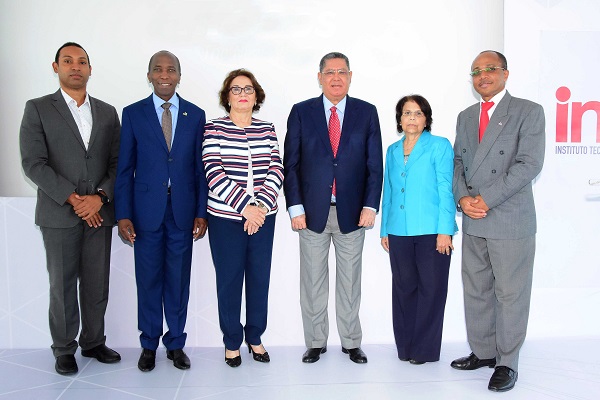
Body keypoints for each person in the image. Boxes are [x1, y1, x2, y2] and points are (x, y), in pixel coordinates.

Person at [19, 42, 121, 375]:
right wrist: (75, 199)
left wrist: (100, 198)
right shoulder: (37, 109)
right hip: (60, 214)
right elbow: (33, 163)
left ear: (90, 69)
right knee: (62, 284)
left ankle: (94, 342)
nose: (75, 66)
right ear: (56, 67)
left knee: (96, 283)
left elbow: (118, 164)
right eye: (68, 61)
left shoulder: (107, 112)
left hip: (100, 214)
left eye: (81, 62)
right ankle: (64, 348)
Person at [451, 50, 545, 392]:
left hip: (508, 219)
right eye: (476, 71)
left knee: (510, 294)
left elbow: (529, 164)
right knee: (476, 290)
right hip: (474, 219)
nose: (483, 75)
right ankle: (484, 352)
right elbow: (458, 163)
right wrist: (463, 198)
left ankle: (507, 362)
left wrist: (485, 199)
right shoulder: (465, 116)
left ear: (505, 73)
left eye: (490, 69)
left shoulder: (528, 112)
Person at [283, 52, 383, 364]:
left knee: (350, 282)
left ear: (350, 76)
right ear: (320, 77)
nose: (336, 77)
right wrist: (295, 207)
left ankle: (351, 342)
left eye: (341, 72)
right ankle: (315, 342)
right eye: (329, 72)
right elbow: (292, 164)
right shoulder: (302, 112)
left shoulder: (367, 112)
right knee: (312, 283)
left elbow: (374, 165)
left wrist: (371, 205)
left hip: (353, 213)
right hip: (311, 213)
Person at [114, 50, 209, 372]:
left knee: (178, 281)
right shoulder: (133, 114)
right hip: (145, 213)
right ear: (150, 75)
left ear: (179, 76)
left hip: (182, 213)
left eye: (171, 70)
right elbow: (124, 168)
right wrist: (123, 214)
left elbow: (200, 169)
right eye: (158, 69)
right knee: (149, 280)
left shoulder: (196, 115)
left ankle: (176, 343)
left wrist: (201, 211)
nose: (164, 75)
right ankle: (149, 343)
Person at [202, 69, 283, 367]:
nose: (243, 94)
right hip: (226, 219)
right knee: (230, 280)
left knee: (259, 279)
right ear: (227, 97)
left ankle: (255, 337)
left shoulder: (267, 129)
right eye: (236, 90)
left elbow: (276, 168)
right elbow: (213, 172)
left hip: (263, 218)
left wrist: (259, 207)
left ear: (256, 96)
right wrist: (245, 207)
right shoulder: (214, 129)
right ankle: (232, 341)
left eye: (248, 89)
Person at [380, 95, 456, 365]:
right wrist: (385, 229)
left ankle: (424, 350)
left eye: (418, 113)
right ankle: (405, 347)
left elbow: (446, 189)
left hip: (432, 231)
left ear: (426, 119)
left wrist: (445, 230)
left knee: (432, 289)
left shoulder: (440, 146)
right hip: (398, 231)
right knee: (403, 288)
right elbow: (388, 189)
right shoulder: (391, 149)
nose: (412, 118)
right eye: (406, 113)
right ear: (399, 119)